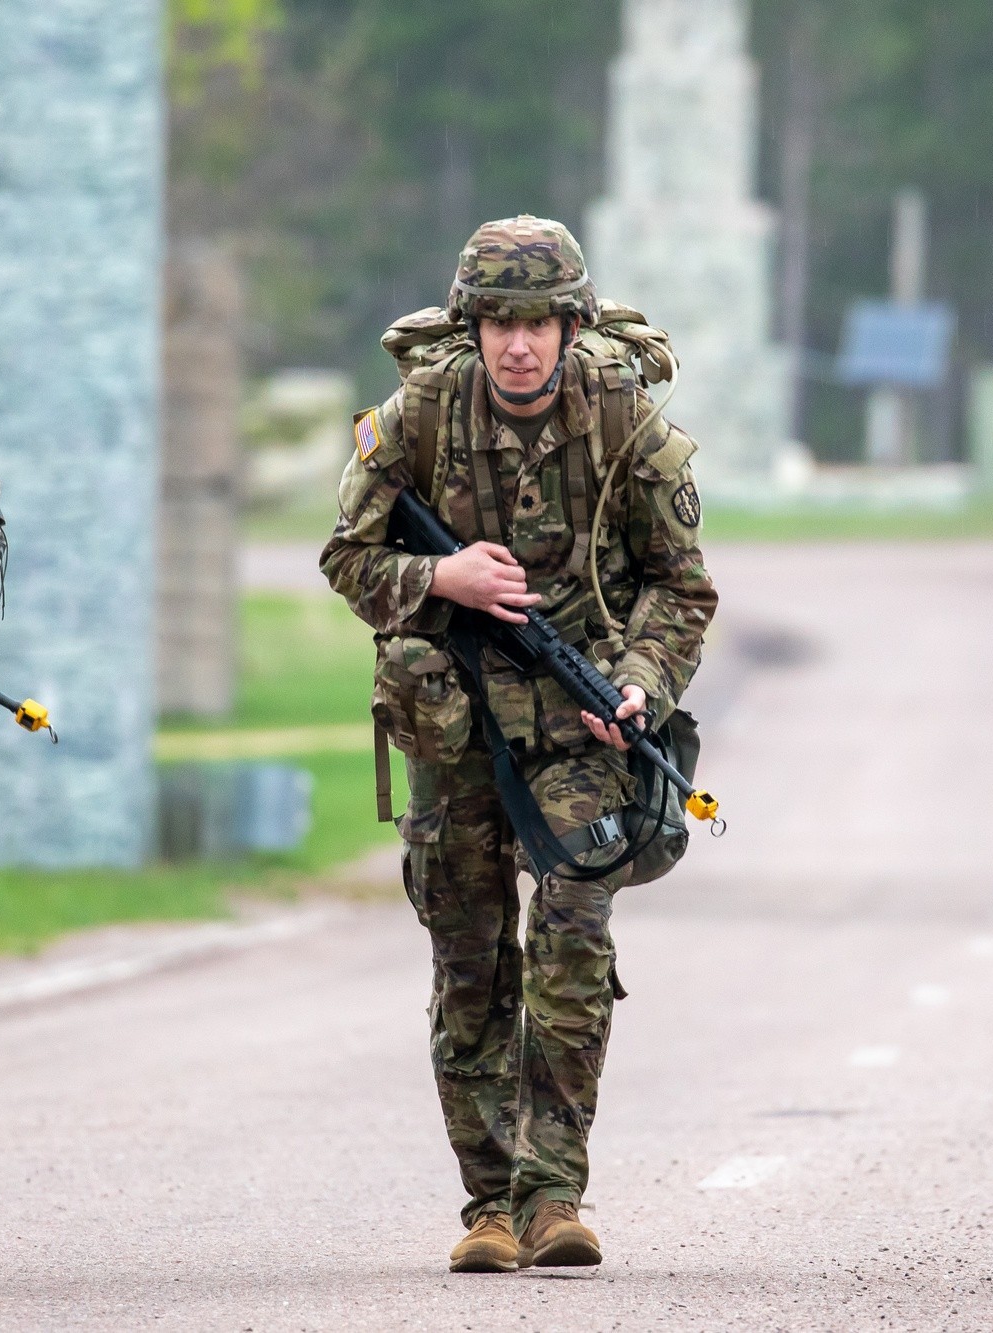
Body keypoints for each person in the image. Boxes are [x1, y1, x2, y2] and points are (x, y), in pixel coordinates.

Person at [321, 215, 717, 1272]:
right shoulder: (418, 418)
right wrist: (436, 579)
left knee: (573, 938)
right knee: (468, 962)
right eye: (496, 323)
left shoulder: (626, 422)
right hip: (452, 719)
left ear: (570, 322)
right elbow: (345, 555)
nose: (517, 345)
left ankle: (553, 1193)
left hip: (579, 720)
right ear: (472, 327)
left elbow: (681, 587)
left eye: (537, 321)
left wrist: (637, 682)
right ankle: (487, 1203)